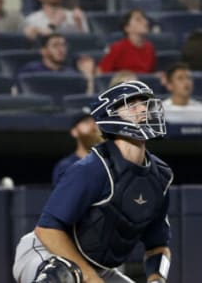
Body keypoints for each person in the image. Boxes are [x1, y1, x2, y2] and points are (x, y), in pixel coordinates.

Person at [12, 80, 173, 283]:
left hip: (99, 269)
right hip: (47, 253)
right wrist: (89, 277)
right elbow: (47, 230)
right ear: (111, 117)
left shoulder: (160, 175)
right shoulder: (91, 168)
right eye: (132, 105)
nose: (142, 108)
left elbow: (157, 246)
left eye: (143, 103)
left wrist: (157, 279)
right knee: (61, 276)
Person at [18, 33, 95, 93]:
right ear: (44, 51)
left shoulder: (71, 74)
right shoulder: (31, 71)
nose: (61, 49)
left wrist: (88, 76)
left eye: (63, 45)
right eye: (55, 45)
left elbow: (84, 100)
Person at [24, 0, 89, 41]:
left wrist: (79, 23)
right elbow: (35, 43)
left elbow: (87, 43)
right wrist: (54, 24)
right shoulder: (33, 19)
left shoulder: (74, 15)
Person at [51, 107, 103, 186]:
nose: (92, 125)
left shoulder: (110, 162)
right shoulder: (67, 166)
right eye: (86, 122)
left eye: (95, 121)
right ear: (74, 132)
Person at [98, 8, 156, 74]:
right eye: (138, 20)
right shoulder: (118, 48)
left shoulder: (150, 47)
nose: (146, 22)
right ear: (127, 28)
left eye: (145, 19)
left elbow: (150, 74)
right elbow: (102, 72)